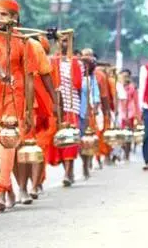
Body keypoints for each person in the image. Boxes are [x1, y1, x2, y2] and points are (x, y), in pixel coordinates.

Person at [0, 0, 44, 210]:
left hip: (13, 100)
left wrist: (27, 108)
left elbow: (29, 79)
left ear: (14, 18)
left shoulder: (22, 42)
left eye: (4, 14)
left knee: (6, 145)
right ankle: (10, 189)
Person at [49, 33, 83, 186]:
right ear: (57, 43)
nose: (65, 44)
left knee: (70, 138)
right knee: (59, 139)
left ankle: (68, 172)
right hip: (55, 105)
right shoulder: (52, 61)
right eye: (62, 41)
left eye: (68, 42)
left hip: (71, 105)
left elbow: (78, 85)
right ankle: (68, 170)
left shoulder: (76, 63)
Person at [27, 35, 57, 197]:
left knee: (40, 147)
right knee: (25, 149)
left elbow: (53, 86)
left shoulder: (48, 67)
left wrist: (56, 105)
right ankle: (27, 185)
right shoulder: (22, 62)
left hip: (45, 111)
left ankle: (35, 184)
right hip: (27, 108)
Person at [79, 50, 101, 179]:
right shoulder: (75, 74)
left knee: (88, 141)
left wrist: (95, 109)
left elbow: (96, 95)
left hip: (88, 112)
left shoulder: (92, 78)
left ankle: (86, 164)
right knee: (79, 140)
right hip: (76, 110)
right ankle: (83, 162)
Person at [117, 68, 140, 161]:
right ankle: (120, 151)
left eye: (127, 76)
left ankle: (127, 153)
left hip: (130, 113)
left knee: (128, 135)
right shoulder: (117, 86)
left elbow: (136, 101)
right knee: (120, 135)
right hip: (119, 113)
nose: (125, 78)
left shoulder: (132, 88)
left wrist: (138, 116)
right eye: (123, 76)